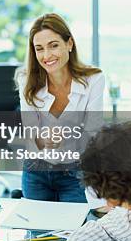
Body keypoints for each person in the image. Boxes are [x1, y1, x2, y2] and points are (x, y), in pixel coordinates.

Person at [18, 13, 105, 203]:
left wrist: (66, 138)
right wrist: (42, 139)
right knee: (37, 231)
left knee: (74, 231)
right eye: (39, 49)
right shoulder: (26, 80)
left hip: (75, 172)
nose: (47, 55)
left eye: (54, 45)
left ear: (69, 44)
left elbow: (94, 132)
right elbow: (29, 132)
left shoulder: (94, 79)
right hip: (36, 171)